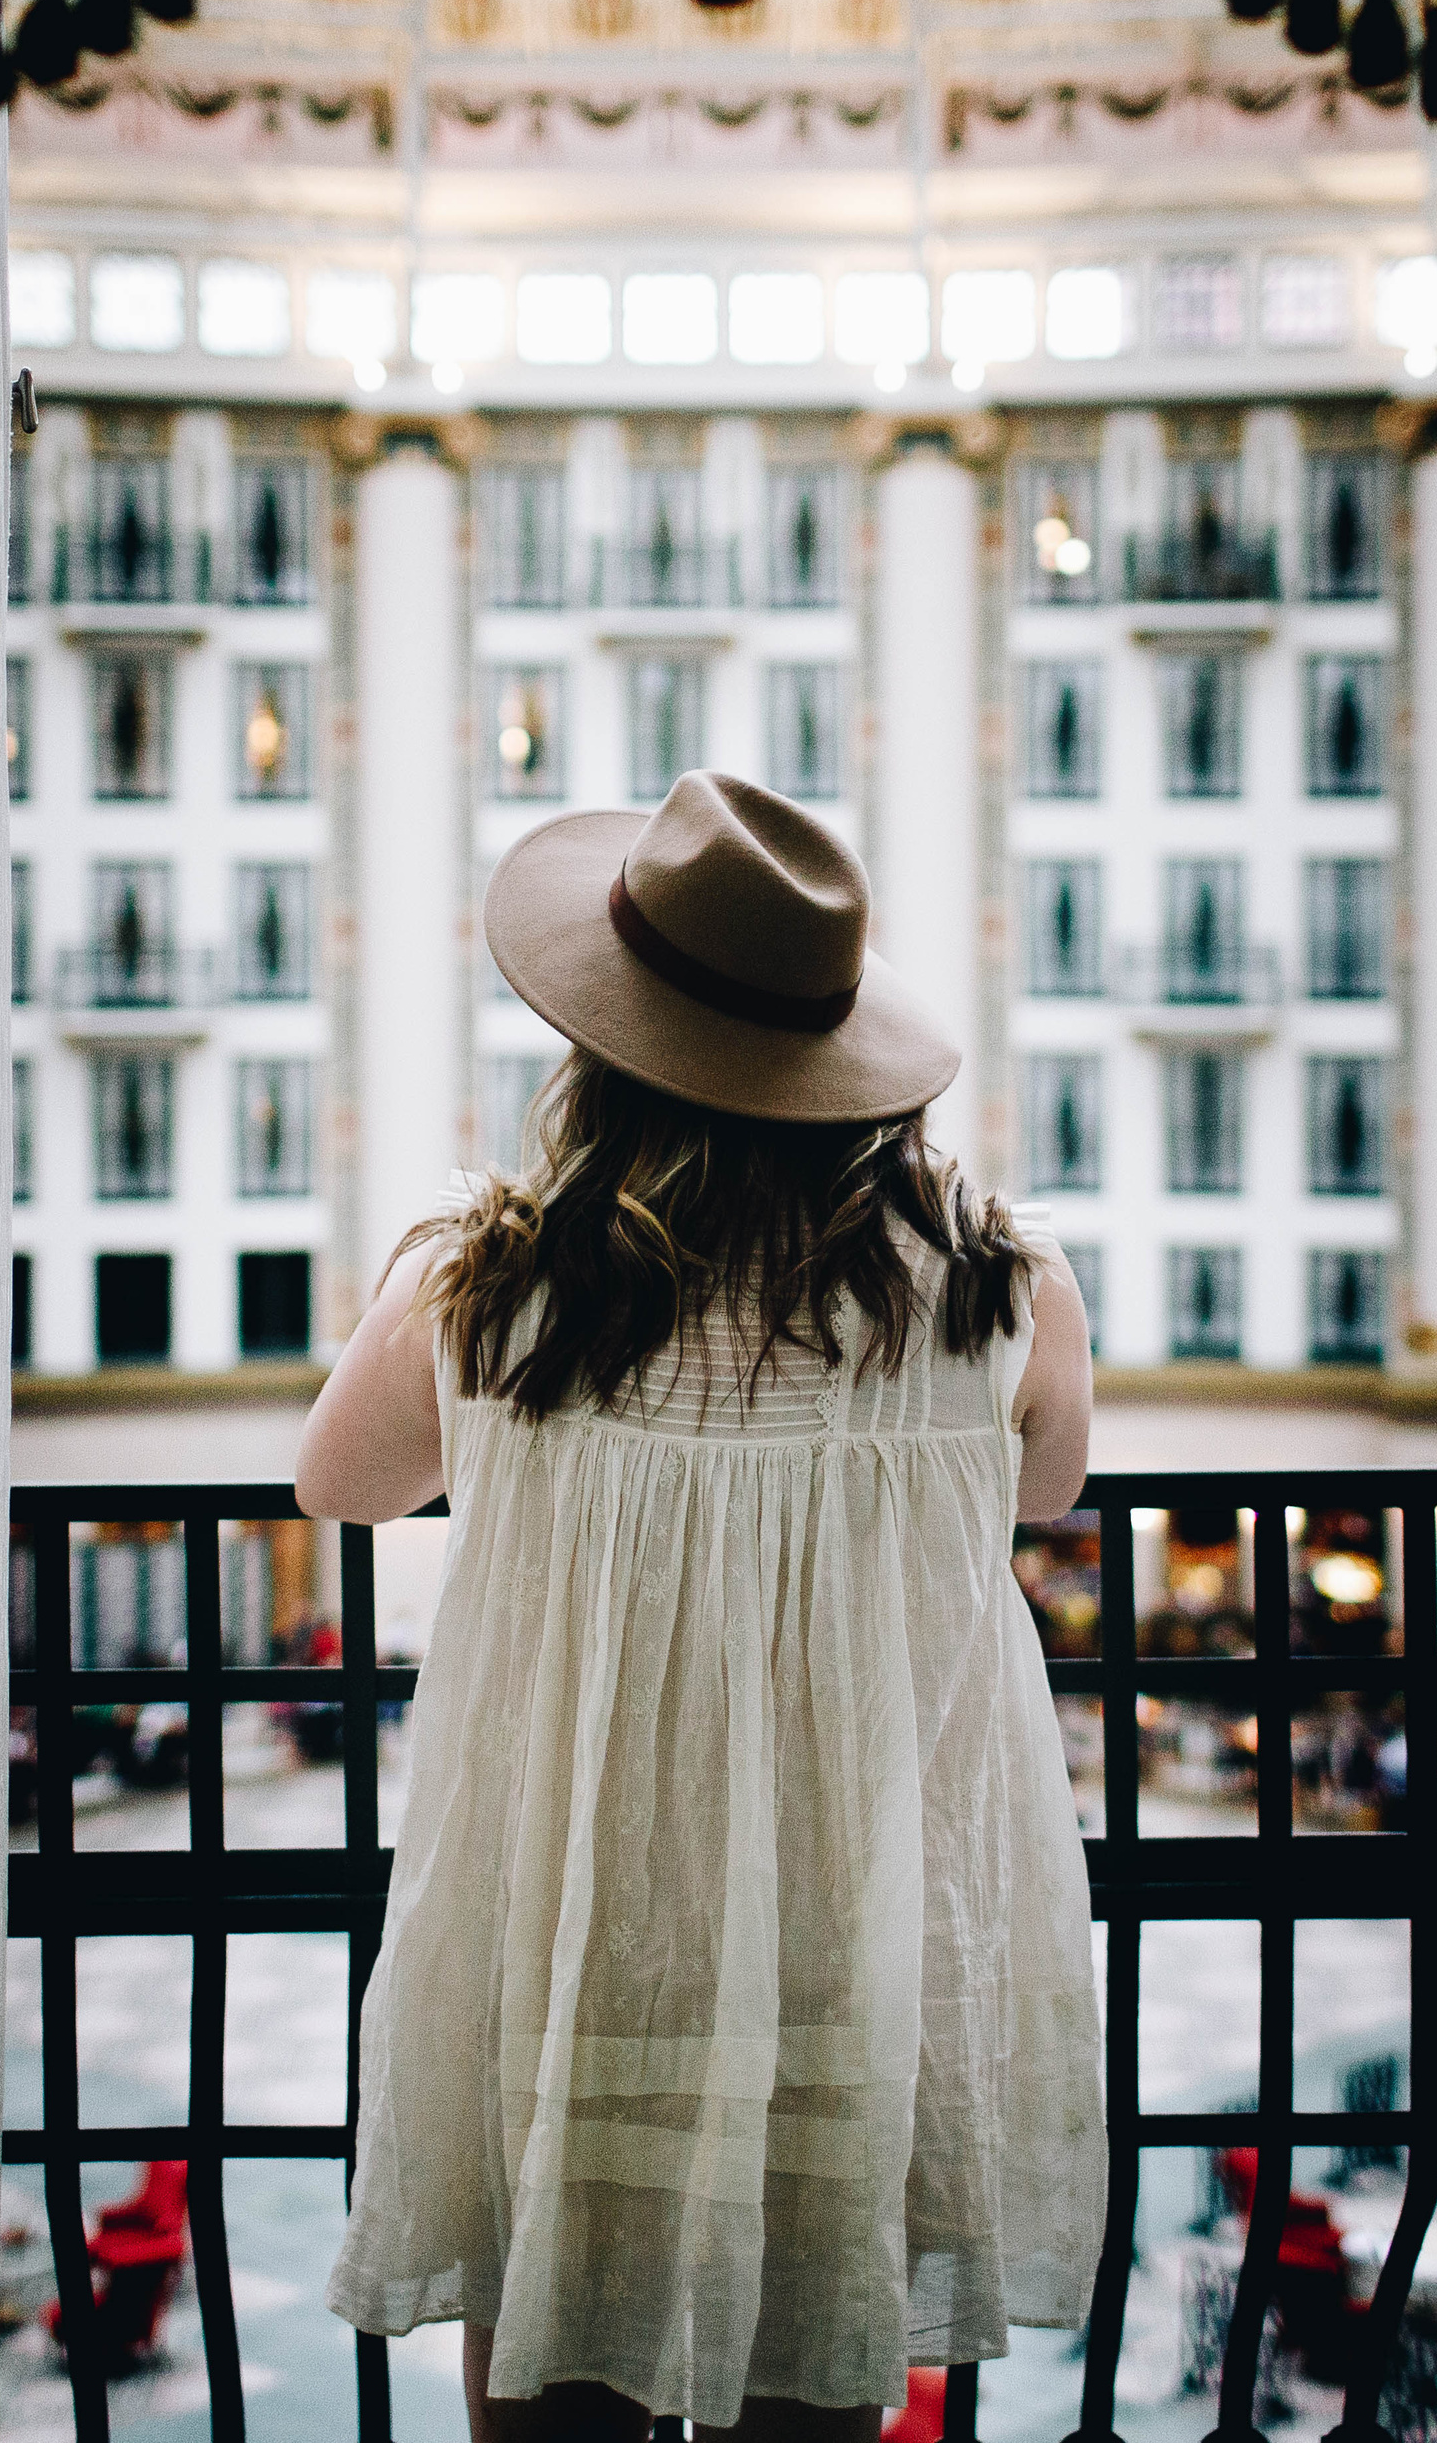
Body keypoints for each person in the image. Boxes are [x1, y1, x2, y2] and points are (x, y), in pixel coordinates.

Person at [300, 772, 1103, 2443]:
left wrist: (426, 1273)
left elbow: (341, 1485)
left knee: (552, 2381)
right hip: (848, 1940)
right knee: (805, 2396)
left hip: (580, 1933)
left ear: (600, 1049)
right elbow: (1045, 1496)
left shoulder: (493, 1284)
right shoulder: (1000, 1287)